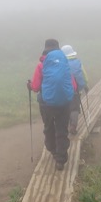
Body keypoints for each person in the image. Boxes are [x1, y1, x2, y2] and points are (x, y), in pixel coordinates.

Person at [28, 38, 74, 170]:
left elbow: (36, 87)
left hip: (46, 103)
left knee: (49, 127)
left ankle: (52, 149)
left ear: (46, 50)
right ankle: (60, 160)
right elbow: (72, 84)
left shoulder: (41, 65)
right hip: (64, 102)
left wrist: (29, 86)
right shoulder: (64, 62)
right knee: (62, 129)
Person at [61, 44, 89, 135]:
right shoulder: (78, 62)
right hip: (76, 90)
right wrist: (85, 85)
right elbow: (84, 75)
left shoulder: (61, 64)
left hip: (64, 90)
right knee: (75, 108)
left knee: (67, 107)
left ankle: (69, 124)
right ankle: (73, 126)